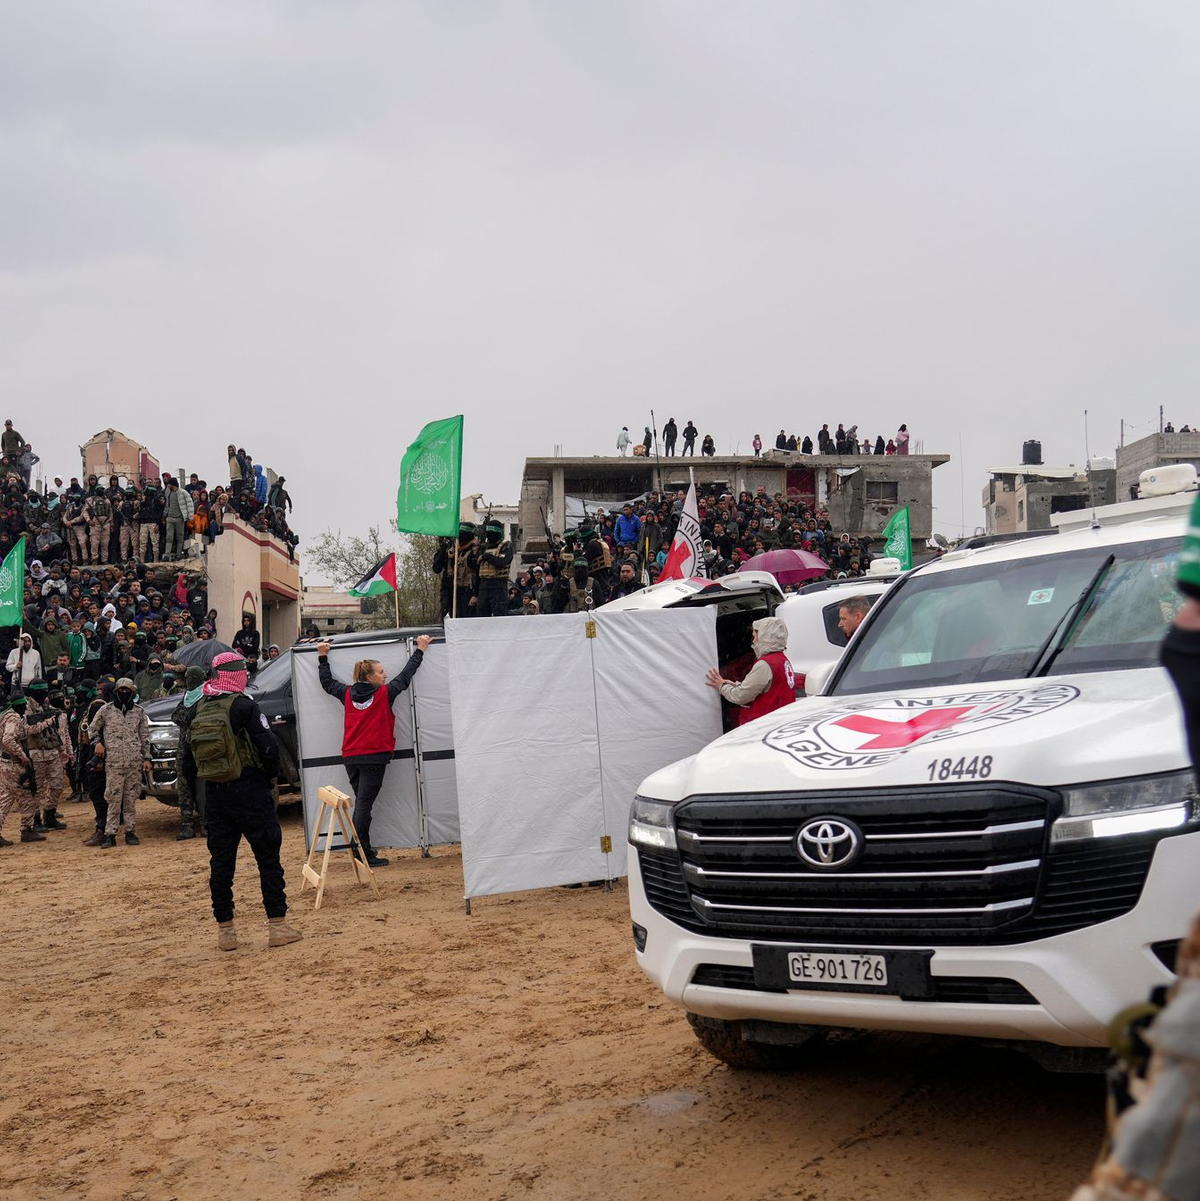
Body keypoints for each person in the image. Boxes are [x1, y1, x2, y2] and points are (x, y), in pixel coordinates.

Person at [186, 651, 298, 950]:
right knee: (268, 858)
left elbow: (187, 760)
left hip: (215, 792)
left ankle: (226, 932)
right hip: (250, 790)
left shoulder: (200, 706)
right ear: (238, 674)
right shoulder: (245, 705)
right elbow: (269, 748)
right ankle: (277, 926)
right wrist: (270, 780)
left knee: (221, 863)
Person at [316, 636, 432, 867]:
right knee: (363, 806)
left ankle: (361, 847)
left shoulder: (347, 693)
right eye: (380, 672)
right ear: (370, 677)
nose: (385, 674)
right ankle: (361, 852)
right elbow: (406, 676)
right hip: (373, 758)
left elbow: (327, 683)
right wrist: (420, 649)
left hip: (351, 756)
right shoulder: (384, 694)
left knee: (362, 804)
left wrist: (322, 656)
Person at [88, 677, 150, 848]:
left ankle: (130, 831)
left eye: (127, 691)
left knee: (130, 799)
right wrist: (97, 743)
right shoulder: (106, 710)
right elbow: (91, 728)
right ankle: (110, 834)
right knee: (113, 799)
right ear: (115, 692)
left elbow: (144, 736)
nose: (124, 694)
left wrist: (147, 758)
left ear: (132, 693)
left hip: (133, 762)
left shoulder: (138, 712)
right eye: (121, 690)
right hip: (114, 763)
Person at [704, 617, 796, 725]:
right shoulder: (782, 659)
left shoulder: (765, 664)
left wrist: (721, 686)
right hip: (780, 722)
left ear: (764, 637)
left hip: (763, 726)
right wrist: (735, 685)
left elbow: (741, 696)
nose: (753, 641)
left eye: (755, 636)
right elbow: (766, 688)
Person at [0, 692, 58, 846]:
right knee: (28, 797)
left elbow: (25, 731)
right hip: (14, 765)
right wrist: (22, 756)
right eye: (23, 704)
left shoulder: (7, 715)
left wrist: (46, 723)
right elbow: (7, 739)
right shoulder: (12, 717)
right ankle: (27, 830)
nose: (26, 706)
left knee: (5, 799)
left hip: (5, 763)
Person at [24, 682, 70, 832]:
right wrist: (47, 722)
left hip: (52, 752)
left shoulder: (48, 708)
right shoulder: (26, 708)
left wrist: (62, 750)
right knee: (36, 789)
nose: (43, 694)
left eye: (45, 690)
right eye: (40, 691)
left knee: (57, 785)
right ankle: (35, 819)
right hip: (35, 753)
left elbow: (57, 733)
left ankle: (49, 815)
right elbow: (29, 730)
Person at [171, 665, 208, 841]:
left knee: (204, 788)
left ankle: (206, 823)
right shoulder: (186, 698)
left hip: (201, 748)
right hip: (184, 749)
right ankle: (187, 825)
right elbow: (176, 717)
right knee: (184, 788)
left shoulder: (207, 697)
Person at [475, 519, 514, 618]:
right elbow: (477, 569)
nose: (489, 536)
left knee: (500, 617)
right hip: (483, 586)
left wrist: (486, 556)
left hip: (498, 586)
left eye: (491, 533)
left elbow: (502, 562)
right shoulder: (484, 547)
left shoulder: (506, 546)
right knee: (481, 617)